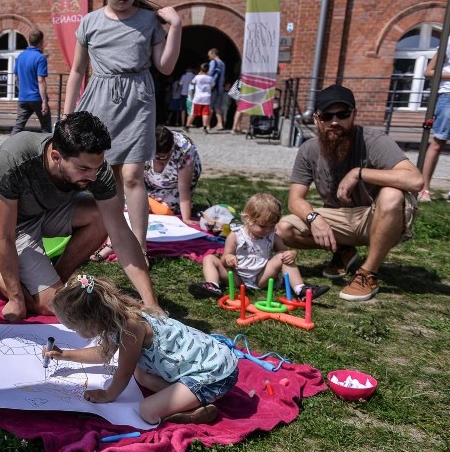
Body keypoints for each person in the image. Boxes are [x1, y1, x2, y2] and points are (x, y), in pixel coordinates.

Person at [0, 111, 157, 322]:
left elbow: (120, 232)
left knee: (102, 216)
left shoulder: (95, 168)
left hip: (46, 212)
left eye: (97, 167)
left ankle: (56, 279)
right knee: (49, 305)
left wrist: (151, 303)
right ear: (56, 157)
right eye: (83, 168)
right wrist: (16, 298)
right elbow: (4, 237)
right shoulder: (16, 157)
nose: (94, 176)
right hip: (11, 224)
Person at [62, 0, 182, 274]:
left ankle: (139, 246)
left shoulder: (147, 21)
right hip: (99, 100)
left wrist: (176, 27)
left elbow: (166, 67)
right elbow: (76, 71)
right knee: (107, 177)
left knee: (131, 175)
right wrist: (66, 113)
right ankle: (112, 237)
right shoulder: (89, 22)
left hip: (138, 99)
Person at [276, 84, 423, 301]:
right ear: (317, 119)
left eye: (342, 114)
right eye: (327, 115)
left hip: (374, 217)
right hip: (340, 218)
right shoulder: (309, 149)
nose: (335, 121)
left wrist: (359, 173)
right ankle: (345, 250)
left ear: (353, 114)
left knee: (392, 194)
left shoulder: (373, 140)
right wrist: (314, 218)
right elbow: (295, 199)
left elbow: (415, 180)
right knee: (283, 229)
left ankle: (367, 273)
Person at [48, 274, 238, 425]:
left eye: (75, 327)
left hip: (214, 374)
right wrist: (65, 355)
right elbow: (103, 353)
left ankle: (193, 408)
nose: (75, 332)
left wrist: (107, 395)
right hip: (204, 362)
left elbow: (123, 374)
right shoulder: (116, 317)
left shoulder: (129, 327)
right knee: (141, 375)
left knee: (147, 410)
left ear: (90, 320)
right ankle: (186, 397)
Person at [91, 125, 201, 262]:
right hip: (147, 184)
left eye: (162, 158)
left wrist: (186, 219)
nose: (157, 160)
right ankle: (113, 242)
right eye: (154, 157)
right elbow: (131, 180)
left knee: (166, 210)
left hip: (172, 188)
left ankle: (147, 205)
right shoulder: (142, 143)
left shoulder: (184, 149)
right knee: (129, 205)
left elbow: (183, 188)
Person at [189, 193, 329, 300]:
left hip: (261, 277)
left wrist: (291, 254)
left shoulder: (273, 235)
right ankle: (213, 285)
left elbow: (283, 252)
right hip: (237, 277)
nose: (268, 230)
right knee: (209, 258)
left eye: (272, 226)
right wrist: (229, 258)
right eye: (263, 226)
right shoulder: (236, 235)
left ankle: (301, 290)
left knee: (283, 257)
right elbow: (225, 257)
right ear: (248, 219)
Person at [418, 41, 450, 202]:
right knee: (439, 141)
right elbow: (429, 71)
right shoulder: (448, 41)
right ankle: (424, 189)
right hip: (448, 95)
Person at [11, 29, 51, 135]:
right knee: (46, 127)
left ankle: (7, 149)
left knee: (18, 127)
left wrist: (22, 91)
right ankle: (46, 150)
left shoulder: (20, 56)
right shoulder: (40, 58)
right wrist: (44, 102)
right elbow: (41, 80)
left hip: (23, 98)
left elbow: (16, 79)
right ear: (41, 42)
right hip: (37, 98)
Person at [186, 63, 213, 133]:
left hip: (197, 97)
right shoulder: (210, 78)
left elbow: (192, 82)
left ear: (201, 69)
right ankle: (205, 128)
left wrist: (198, 74)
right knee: (205, 113)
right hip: (206, 98)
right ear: (208, 70)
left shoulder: (197, 77)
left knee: (193, 113)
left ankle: (187, 126)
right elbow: (212, 85)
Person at [207, 48, 227, 131]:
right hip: (220, 87)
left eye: (209, 55)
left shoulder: (213, 62)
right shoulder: (222, 63)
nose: (209, 57)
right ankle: (220, 124)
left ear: (213, 54)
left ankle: (207, 125)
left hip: (213, 87)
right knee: (217, 106)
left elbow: (210, 73)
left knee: (210, 106)